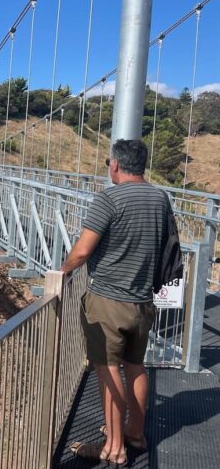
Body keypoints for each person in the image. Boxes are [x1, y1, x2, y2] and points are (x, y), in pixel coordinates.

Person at [60, 139, 172, 467]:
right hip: (142, 302)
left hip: (108, 301)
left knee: (108, 372)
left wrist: (62, 272)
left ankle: (114, 448)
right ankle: (134, 434)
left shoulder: (108, 198)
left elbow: (81, 251)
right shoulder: (160, 197)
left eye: (109, 162)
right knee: (135, 367)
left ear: (116, 165)